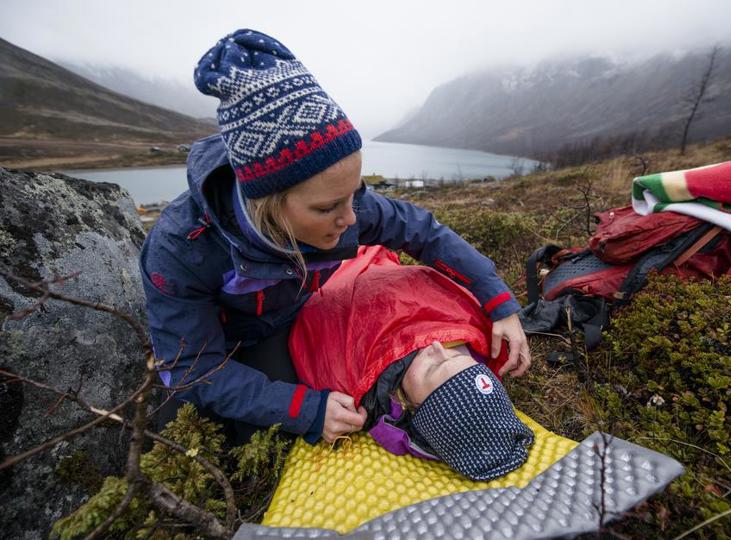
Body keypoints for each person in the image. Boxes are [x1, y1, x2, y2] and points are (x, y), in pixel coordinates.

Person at [140, 28, 530, 446]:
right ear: (266, 203)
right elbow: (194, 370)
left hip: (295, 320)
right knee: (224, 434)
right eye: (327, 208)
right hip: (229, 343)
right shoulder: (180, 249)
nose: (350, 219)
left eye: (352, 195)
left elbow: (423, 232)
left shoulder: (346, 206)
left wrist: (497, 300)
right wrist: (303, 410)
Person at [289, 245, 535, 481]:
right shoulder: (479, 334)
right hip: (372, 260)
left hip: (318, 274)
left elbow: (315, 340)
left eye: (433, 368)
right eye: (457, 354)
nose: (437, 348)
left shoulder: (351, 390)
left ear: (410, 406)